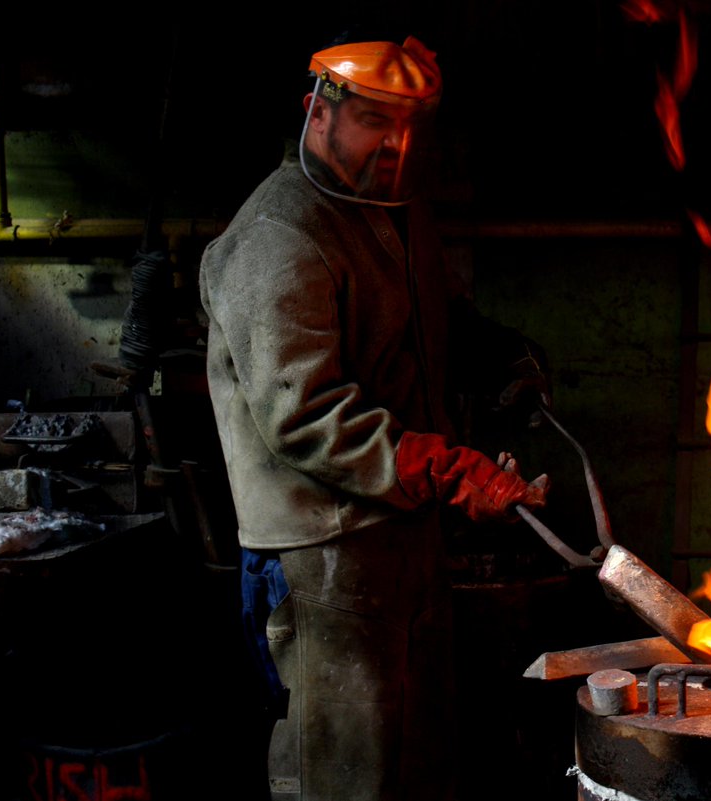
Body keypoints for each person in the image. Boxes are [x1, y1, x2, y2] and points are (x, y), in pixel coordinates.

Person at [197, 35, 550, 801]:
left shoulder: (390, 207)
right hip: (323, 553)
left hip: (400, 537)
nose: (396, 145)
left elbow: (431, 321)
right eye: (373, 122)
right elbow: (306, 414)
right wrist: (454, 469)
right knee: (345, 776)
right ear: (316, 110)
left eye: (411, 127)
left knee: (417, 764)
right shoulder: (279, 237)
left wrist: (494, 354)